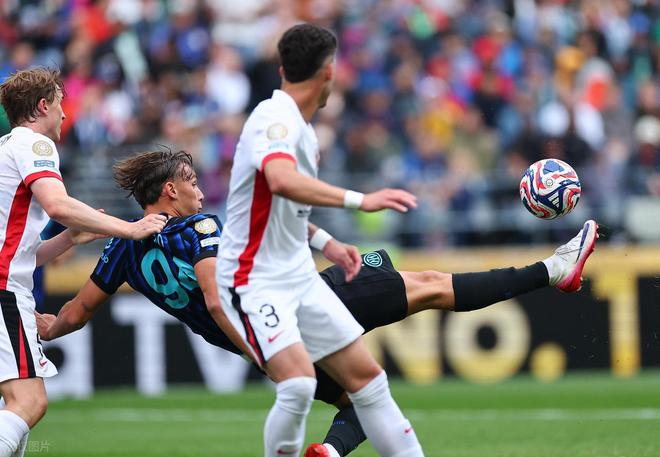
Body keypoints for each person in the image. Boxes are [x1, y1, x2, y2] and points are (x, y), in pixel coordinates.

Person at [35, 149, 599, 456]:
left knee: (359, 401)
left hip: (269, 342)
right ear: (169, 191)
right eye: (191, 182)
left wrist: (40, 329)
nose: (201, 192)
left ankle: (327, 456)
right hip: (287, 313)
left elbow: (75, 315)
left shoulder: (122, 249)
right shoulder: (197, 229)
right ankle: (554, 270)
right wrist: (260, 342)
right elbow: (215, 296)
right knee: (428, 284)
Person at [215, 23, 424, 457]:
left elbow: (278, 204)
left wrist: (325, 241)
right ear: (329, 71)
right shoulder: (274, 119)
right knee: (298, 384)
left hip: (298, 275)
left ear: (283, 69)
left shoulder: (300, 127)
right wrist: (360, 200)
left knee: (369, 381)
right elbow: (281, 179)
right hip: (254, 279)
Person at [0, 68, 167, 457]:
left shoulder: (5, 147)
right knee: (29, 402)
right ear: (43, 105)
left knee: (15, 406)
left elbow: (20, 252)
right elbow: (58, 205)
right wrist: (130, 228)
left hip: (7, 282)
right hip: (3, 291)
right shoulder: (34, 144)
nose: (65, 114)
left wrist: (68, 239)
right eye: (61, 104)